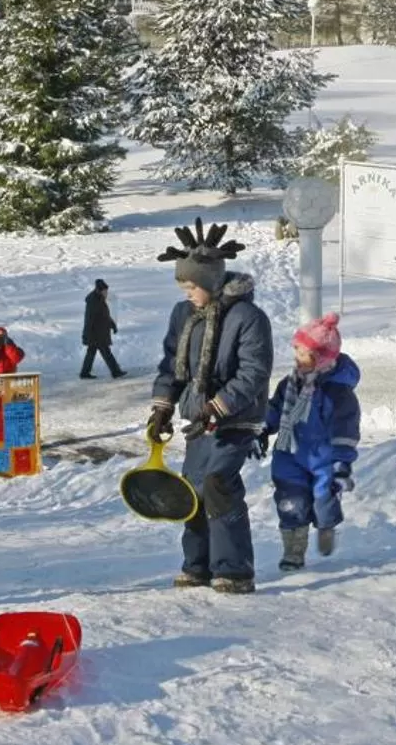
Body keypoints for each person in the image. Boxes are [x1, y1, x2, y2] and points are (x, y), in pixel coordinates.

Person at [147, 220, 271, 594]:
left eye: (192, 286)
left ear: (212, 283)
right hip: (197, 418)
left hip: (236, 418)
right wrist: (162, 407)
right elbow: (171, 364)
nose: (187, 293)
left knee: (219, 484)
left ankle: (234, 571)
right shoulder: (183, 315)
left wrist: (218, 407)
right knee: (194, 489)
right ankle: (197, 566)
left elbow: (253, 372)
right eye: (183, 286)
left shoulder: (248, 318)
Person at [263, 313, 360, 571]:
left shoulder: (337, 392)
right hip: (289, 454)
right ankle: (293, 552)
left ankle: (326, 524)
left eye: (303, 353)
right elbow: (275, 410)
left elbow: (345, 428)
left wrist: (342, 463)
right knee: (290, 501)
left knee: (322, 500)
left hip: (323, 459)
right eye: (296, 350)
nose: (297, 357)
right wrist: (262, 427)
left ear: (321, 359)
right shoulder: (290, 383)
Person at [80, 279, 122, 379]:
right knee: (106, 352)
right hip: (96, 334)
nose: (106, 293)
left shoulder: (99, 299)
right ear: (100, 290)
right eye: (105, 291)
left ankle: (84, 373)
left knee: (91, 353)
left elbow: (104, 316)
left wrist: (113, 325)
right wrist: (86, 334)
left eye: (106, 291)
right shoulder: (94, 301)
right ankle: (116, 372)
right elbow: (89, 319)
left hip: (99, 332)